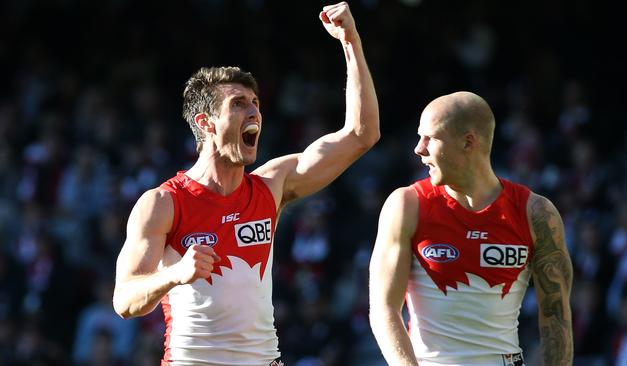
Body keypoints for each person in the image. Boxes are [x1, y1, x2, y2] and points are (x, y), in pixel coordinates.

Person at [112, 2, 379, 365]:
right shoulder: (163, 203)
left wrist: (351, 42)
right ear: (206, 123)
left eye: (255, 103)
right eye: (238, 104)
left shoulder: (272, 185)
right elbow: (125, 301)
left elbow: (361, 134)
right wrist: (175, 274)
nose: (254, 111)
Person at [368, 92, 573, 366]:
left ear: (468, 142)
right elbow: (384, 310)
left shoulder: (535, 213)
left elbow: (556, 319)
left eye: (430, 138)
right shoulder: (406, 205)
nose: (419, 148)